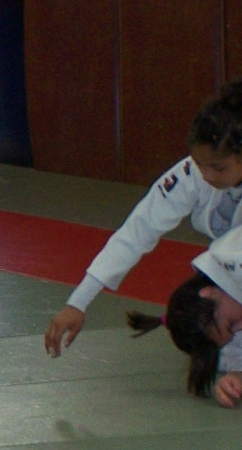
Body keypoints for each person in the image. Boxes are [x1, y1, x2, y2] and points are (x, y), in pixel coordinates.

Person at [45, 82, 242, 357]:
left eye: (218, 167)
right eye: (200, 164)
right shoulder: (192, 174)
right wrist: (78, 301)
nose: (207, 175)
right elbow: (139, 229)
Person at [129, 224, 242, 405]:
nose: (240, 327)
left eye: (231, 323)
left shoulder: (236, 259)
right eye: (234, 330)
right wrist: (237, 375)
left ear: (209, 294)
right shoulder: (228, 293)